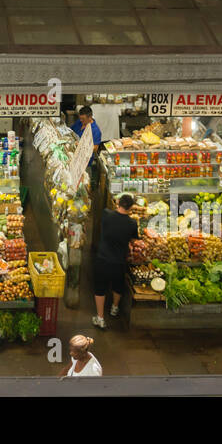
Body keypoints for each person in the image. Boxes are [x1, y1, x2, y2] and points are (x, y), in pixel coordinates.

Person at [93, 193, 138, 329]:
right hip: (119, 260)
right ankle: (114, 308)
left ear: (118, 202)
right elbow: (134, 240)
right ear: (131, 208)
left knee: (100, 288)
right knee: (118, 286)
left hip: (103, 258)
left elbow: (109, 210)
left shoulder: (107, 215)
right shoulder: (132, 223)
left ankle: (100, 318)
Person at [70, 105, 104, 186]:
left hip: (85, 163)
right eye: (80, 118)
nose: (81, 120)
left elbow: (95, 148)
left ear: (90, 117)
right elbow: (71, 131)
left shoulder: (95, 130)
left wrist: (82, 145)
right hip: (74, 158)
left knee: (83, 185)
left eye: (83, 119)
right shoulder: (80, 122)